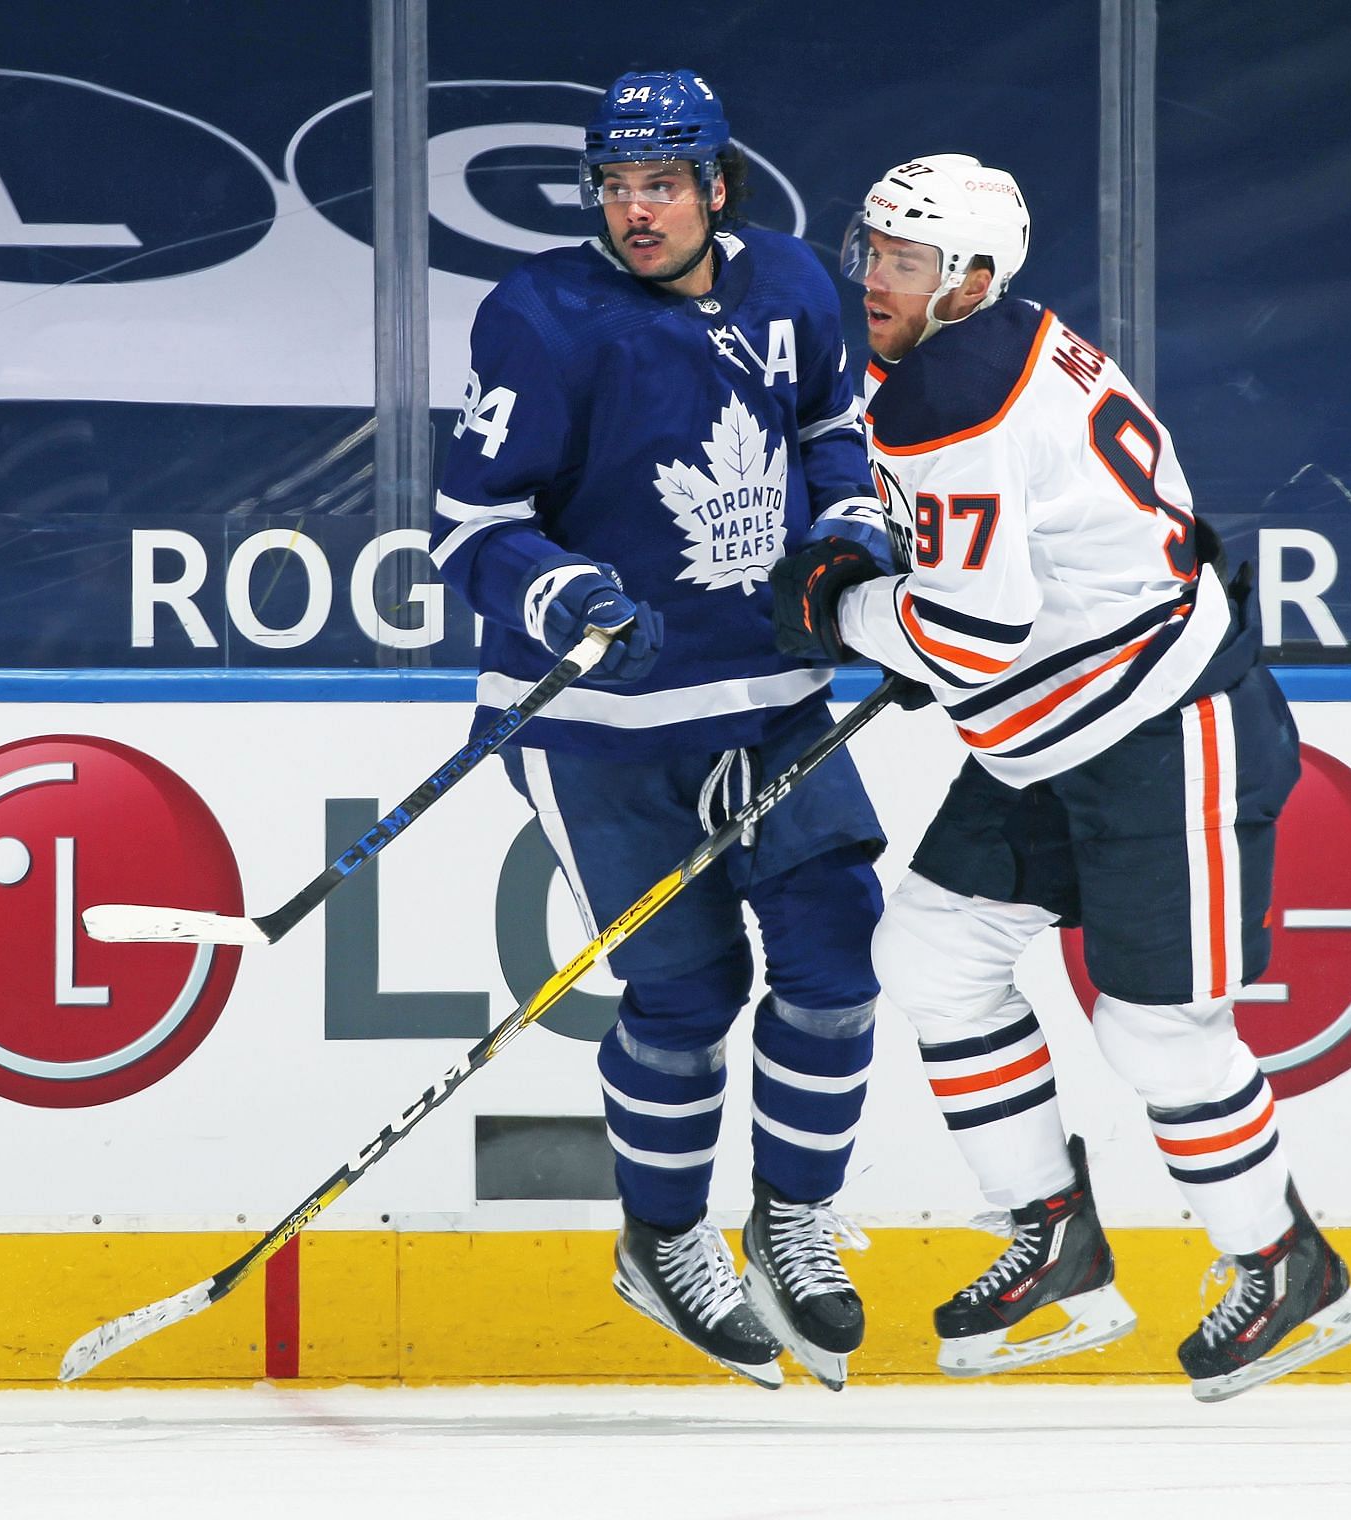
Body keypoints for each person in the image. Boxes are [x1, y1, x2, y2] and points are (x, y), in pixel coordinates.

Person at [769, 154, 1351, 1402]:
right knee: (937, 950)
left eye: (905, 261)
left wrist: (842, 608)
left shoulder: (950, 390)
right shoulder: (989, 346)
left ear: (973, 280)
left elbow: (971, 637)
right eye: (872, 250)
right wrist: (922, 596)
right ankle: (1053, 1236)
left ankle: (1285, 1259)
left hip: (1165, 730)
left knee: (1156, 1029)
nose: (874, 279)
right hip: (1057, 726)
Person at [432, 70, 892, 1391]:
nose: (637, 211)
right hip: (601, 719)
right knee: (687, 995)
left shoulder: (797, 284)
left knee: (835, 960)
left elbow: (831, 434)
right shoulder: (543, 319)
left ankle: (794, 1219)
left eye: (663, 183)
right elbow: (474, 529)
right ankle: (666, 1238)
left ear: (716, 187)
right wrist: (562, 589)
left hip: (766, 690)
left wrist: (855, 526)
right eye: (617, 185)